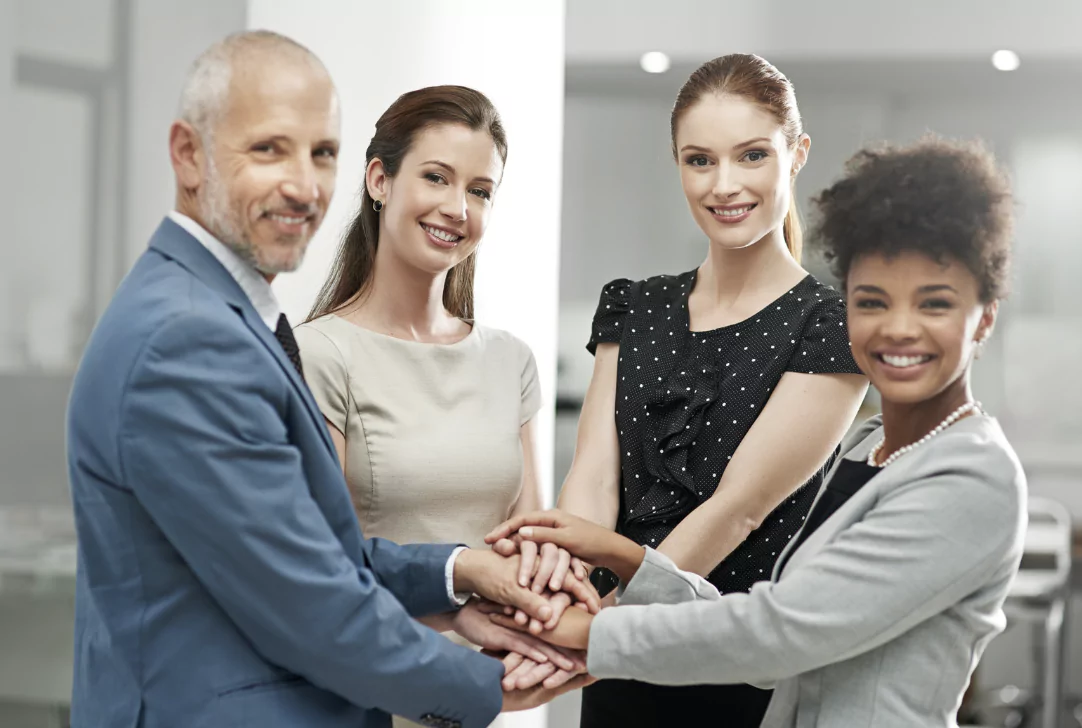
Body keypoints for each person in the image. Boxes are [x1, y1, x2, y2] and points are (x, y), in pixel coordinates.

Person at [65, 31, 589, 728]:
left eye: (321, 154)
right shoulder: (186, 340)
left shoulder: (214, 314)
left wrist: (457, 573)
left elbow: (321, 554)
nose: (303, 185)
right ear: (189, 156)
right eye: (268, 149)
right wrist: (487, 686)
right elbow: (311, 602)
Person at [487, 134, 1027, 728]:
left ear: (986, 317)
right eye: (871, 302)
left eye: (934, 305)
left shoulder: (972, 474)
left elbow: (781, 633)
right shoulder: (868, 448)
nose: (899, 329)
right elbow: (772, 633)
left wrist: (588, 634)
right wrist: (623, 556)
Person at [546, 53, 867, 724]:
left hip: (727, 660)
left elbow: (738, 511)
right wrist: (568, 599)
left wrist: (603, 634)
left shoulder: (829, 323)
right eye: (700, 160)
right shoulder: (634, 306)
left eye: (751, 156)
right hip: (609, 651)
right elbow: (593, 481)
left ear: (796, 153)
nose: (724, 185)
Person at [294, 84, 594, 727]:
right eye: (437, 177)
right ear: (380, 179)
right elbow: (330, 568)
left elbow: (530, 538)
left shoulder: (509, 359)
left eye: (480, 191)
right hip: (372, 692)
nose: (458, 208)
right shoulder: (320, 355)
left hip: (496, 686)